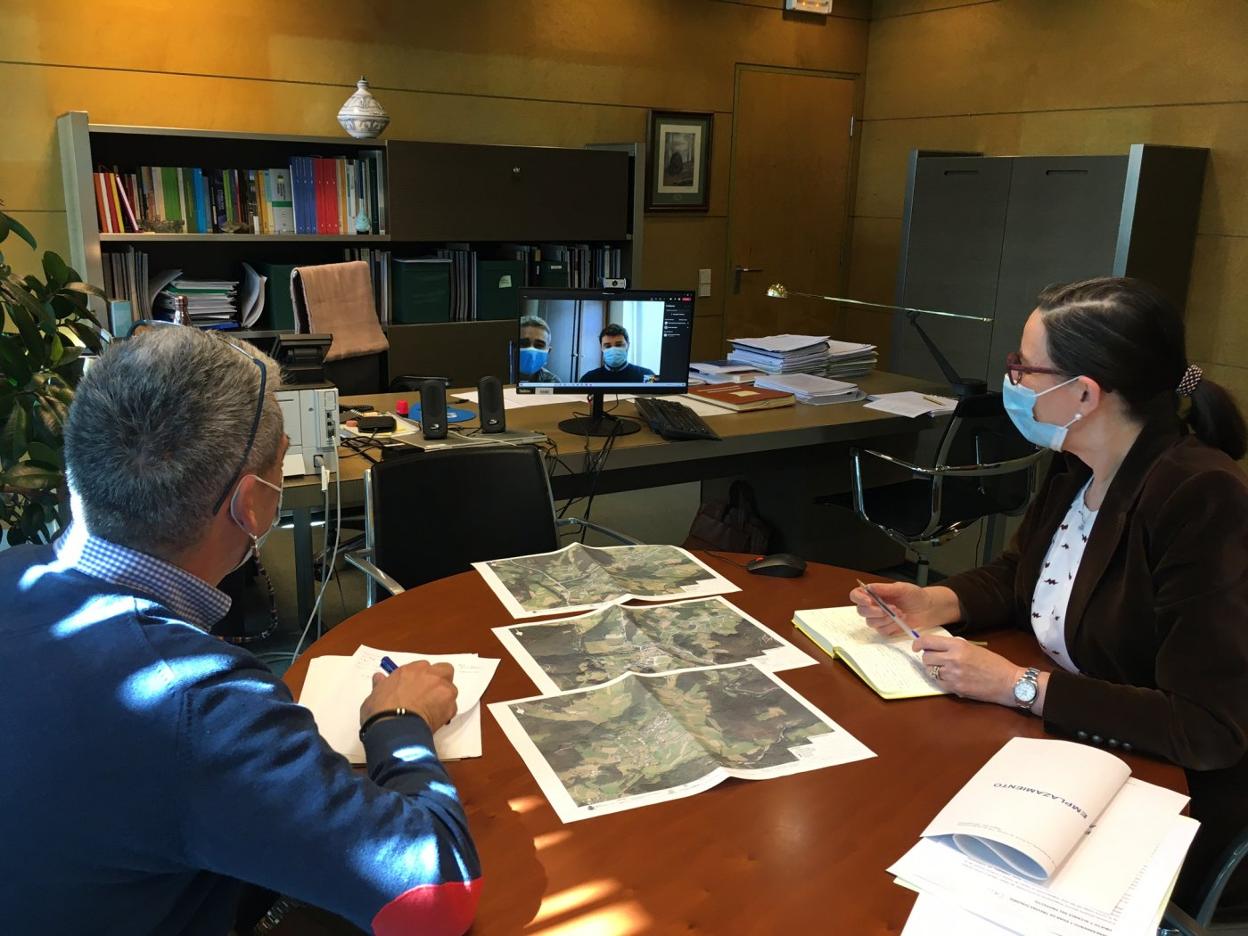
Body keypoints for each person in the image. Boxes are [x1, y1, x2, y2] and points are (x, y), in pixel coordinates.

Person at [0, 327, 481, 935]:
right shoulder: (200, 703)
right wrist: (398, 723)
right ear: (252, 503)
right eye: (283, 459)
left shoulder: (13, 576)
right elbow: (435, 897)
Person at [849, 276, 1248, 911]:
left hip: (1165, 795)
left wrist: (1020, 686)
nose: (1011, 382)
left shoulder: (1200, 496)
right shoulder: (1080, 463)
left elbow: (1205, 727)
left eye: (1022, 367)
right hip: (1060, 753)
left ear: (1084, 394)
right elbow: (1021, 576)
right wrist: (936, 603)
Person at [578, 323, 655, 383]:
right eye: (607, 346)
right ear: (601, 348)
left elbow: (660, 397)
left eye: (619, 345)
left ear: (628, 345)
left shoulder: (648, 375)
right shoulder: (588, 378)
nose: (613, 349)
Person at [518, 314, 562, 383]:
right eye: (524, 343)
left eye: (539, 345)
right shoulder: (498, 379)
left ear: (548, 352)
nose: (531, 351)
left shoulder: (552, 381)